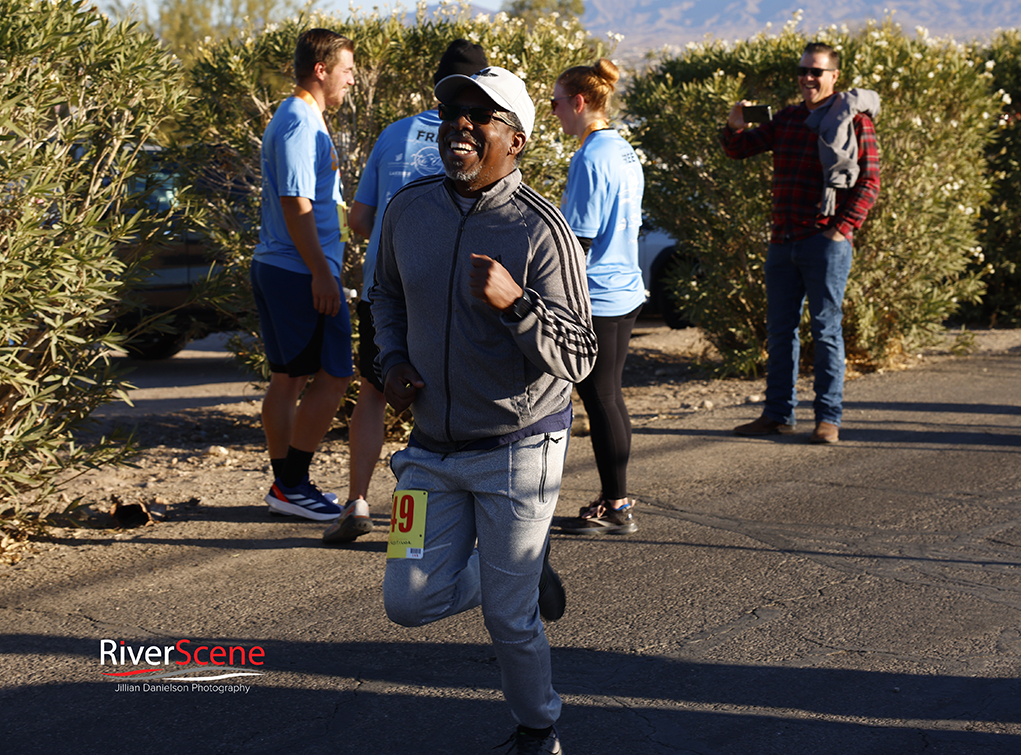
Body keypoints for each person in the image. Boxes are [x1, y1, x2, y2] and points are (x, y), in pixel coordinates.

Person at [370, 67, 597, 754]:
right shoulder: (408, 209)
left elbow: (580, 354)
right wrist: (390, 363)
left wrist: (517, 303)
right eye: (452, 113)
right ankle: (516, 569)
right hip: (429, 452)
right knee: (405, 599)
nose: (459, 124)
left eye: (480, 114)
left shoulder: (540, 230)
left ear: (516, 141)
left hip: (518, 449)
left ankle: (538, 728)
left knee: (509, 616)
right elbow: (382, 298)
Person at [323, 39, 488, 544]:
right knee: (440, 409)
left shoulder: (394, 135)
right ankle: (433, 532)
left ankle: (358, 502)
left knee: (373, 392)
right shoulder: (482, 136)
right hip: (451, 292)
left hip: (386, 290)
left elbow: (359, 220)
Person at [721, 42, 880, 444]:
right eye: (803, 71)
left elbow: (870, 182)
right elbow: (739, 150)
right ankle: (777, 414)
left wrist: (840, 229)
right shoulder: (789, 118)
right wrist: (735, 123)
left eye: (817, 72)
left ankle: (828, 418)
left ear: (834, 77)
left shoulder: (855, 121)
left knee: (826, 331)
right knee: (780, 332)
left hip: (825, 242)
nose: (808, 78)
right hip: (783, 240)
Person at [250, 29, 370, 539]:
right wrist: (323, 270)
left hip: (286, 267)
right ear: (321, 69)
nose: (351, 79)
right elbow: (295, 205)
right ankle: (292, 486)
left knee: (289, 379)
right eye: (346, 69)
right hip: (300, 271)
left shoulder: (298, 116)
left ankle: (287, 487)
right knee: (334, 374)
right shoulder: (300, 121)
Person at [551, 58, 644, 536]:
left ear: (579, 103)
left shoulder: (591, 155)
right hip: (624, 289)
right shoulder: (622, 148)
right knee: (609, 396)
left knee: (601, 398)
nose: (554, 112)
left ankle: (617, 504)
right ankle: (617, 499)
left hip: (598, 294)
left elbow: (577, 241)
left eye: (556, 103)